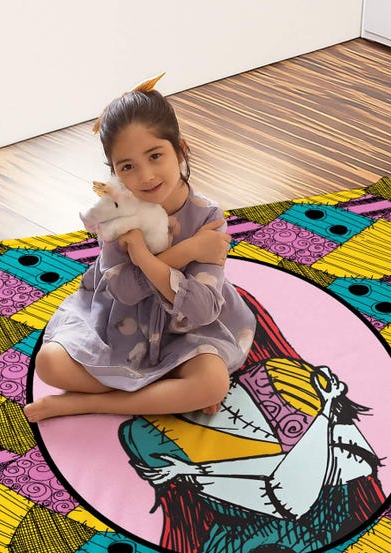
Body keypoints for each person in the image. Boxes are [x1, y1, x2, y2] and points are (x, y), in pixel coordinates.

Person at [23, 74, 256, 423]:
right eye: (127, 167)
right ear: (114, 173)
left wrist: (148, 256)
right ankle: (164, 394)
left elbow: (203, 311)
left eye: (155, 155)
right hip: (119, 325)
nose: (145, 176)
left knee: (211, 382)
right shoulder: (117, 213)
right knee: (49, 363)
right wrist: (188, 251)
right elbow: (124, 290)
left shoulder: (208, 218)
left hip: (186, 330)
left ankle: (86, 402)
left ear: (181, 150)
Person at [119, 288, 387, 553]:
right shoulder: (150, 433)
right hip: (242, 543)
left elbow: (307, 480)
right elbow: (284, 490)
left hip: (330, 528)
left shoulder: (281, 380)